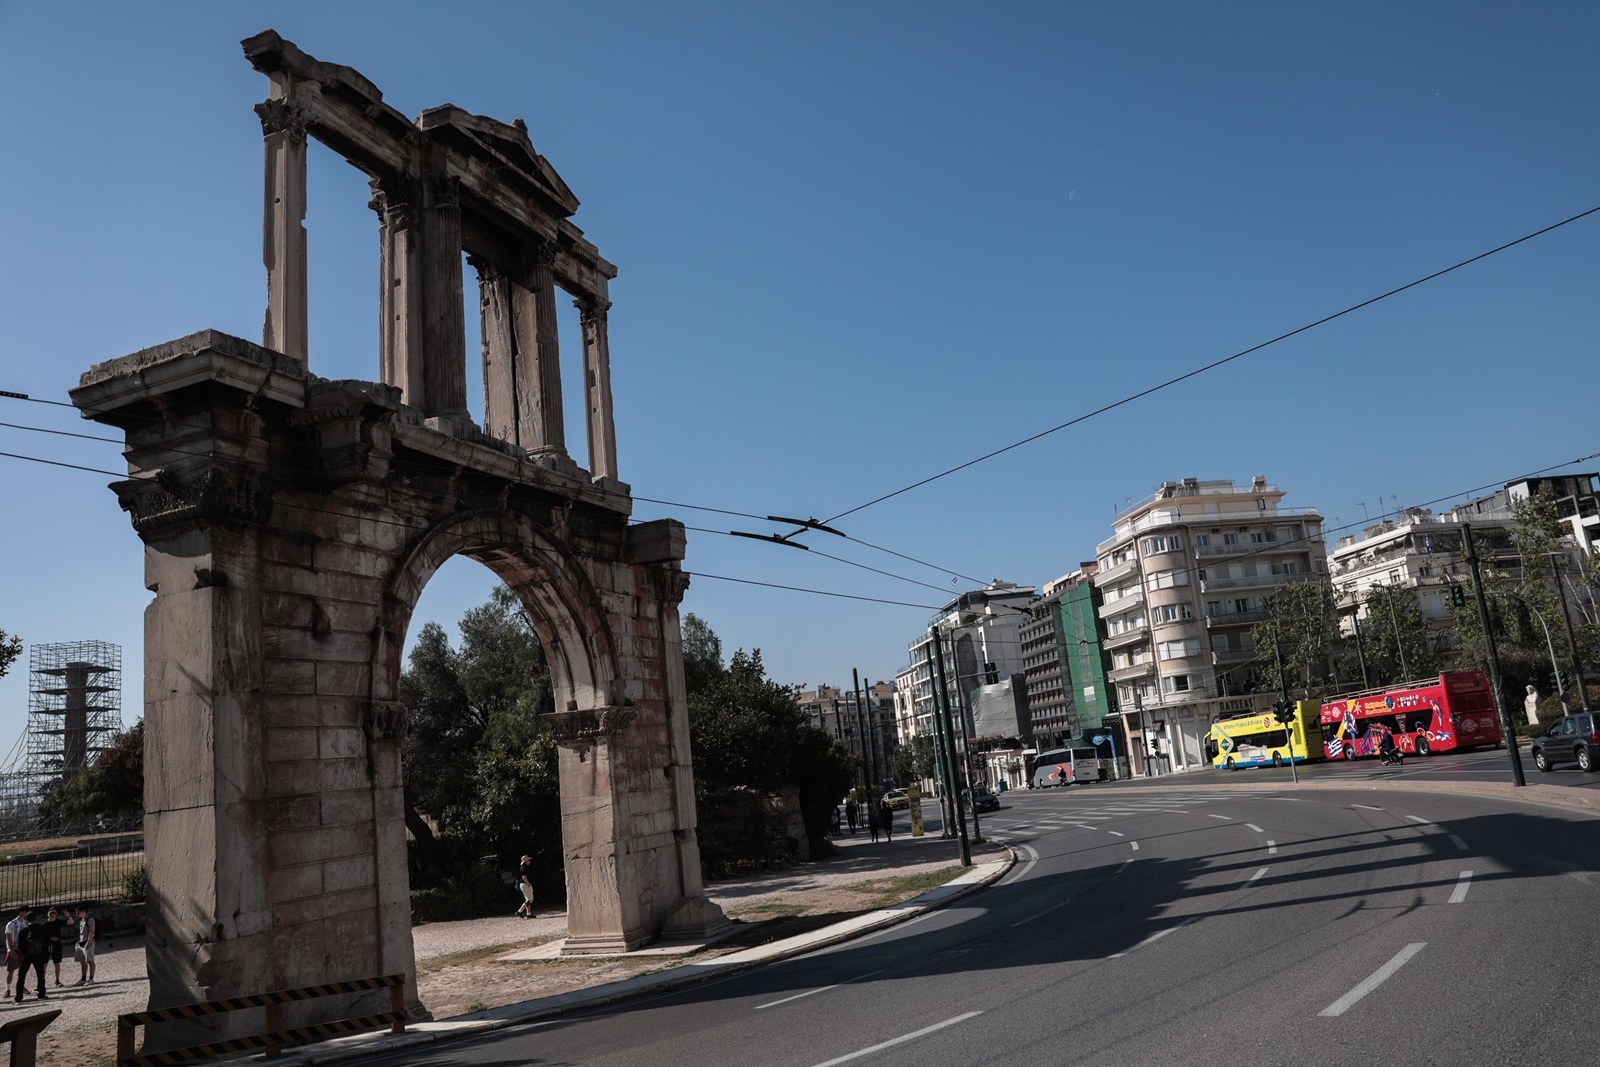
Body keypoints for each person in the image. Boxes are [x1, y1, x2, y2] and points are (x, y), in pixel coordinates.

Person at [15, 910, 52, 1002]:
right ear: (36, 918)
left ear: (27, 920)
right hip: (39, 954)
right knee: (40, 975)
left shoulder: (23, 931)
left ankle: (18, 997)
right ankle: (42, 993)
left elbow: (19, 946)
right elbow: (48, 941)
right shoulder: (42, 928)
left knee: (21, 976)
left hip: (26, 956)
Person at [4, 906, 26, 999]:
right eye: (25, 911)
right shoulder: (11, 924)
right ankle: (8, 988)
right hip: (13, 949)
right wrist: (12, 951)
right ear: (20, 912)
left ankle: (21, 986)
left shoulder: (26, 923)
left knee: (23, 970)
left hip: (22, 949)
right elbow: (8, 939)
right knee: (11, 970)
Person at [44, 907, 70, 987]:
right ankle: (42, 981)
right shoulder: (44, 925)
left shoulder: (59, 922)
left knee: (57, 963)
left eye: (54, 913)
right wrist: (50, 938)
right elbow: (41, 936)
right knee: (44, 964)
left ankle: (57, 980)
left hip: (56, 945)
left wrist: (68, 916)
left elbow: (71, 922)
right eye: (50, 913)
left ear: (56, 914)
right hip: (47, 945)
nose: (52, 914)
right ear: (47, 914)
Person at [73, 905, 95, 985]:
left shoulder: (90, 919)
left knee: (90, 960)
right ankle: (83, 978)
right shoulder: (82, 921)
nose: (77, 914)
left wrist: (88, 943)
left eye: (78, 912)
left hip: (88, 942)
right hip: (81, 942)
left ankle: (91, 978)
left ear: (83, 912)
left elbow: (91, 932)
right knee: (82, 961)